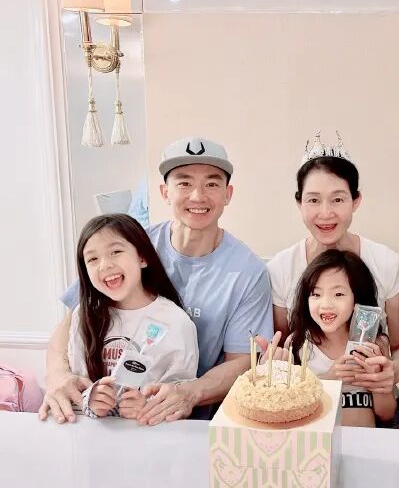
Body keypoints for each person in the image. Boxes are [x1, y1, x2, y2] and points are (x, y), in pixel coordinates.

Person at [39, 137, 273, 424]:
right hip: (102, 416)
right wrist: (58, 376)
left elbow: (243, 361)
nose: (197, 196)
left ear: (228, 194)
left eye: (212, 184)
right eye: (184, 183)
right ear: (165, 192)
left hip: (185, 424)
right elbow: (73, 320)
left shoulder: (248, 272)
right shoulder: (129, 244)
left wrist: (189, 393)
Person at [266, 132, 399, 425]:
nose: (326, 213)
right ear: (299, 203)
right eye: (313, 200)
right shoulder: (281, 268)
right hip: (309, 405)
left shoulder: (385, 263)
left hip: (372, 403)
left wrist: (390, 373)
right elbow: (282, 349)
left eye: (338, 199)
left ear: (356, 201)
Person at [68, 214, 197, 419]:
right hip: (93, 433)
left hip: (149, 433)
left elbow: (179, 395)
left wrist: (147, 406)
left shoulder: (175, 321)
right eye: (92, 259)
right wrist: (90, 400)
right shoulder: (83, 315)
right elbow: (75, 383)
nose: (104, 265)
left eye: (116, 252)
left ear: (142, 258)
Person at [268, 249, 396, 427]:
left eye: (338, 294)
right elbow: (292, 410)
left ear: (357, 298)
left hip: (365, 438)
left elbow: (387, 415)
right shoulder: (297, 344)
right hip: (317, 439)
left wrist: (377, 382)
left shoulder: (375, 344)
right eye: (316, 294)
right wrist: (329, 379)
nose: (326, 304)